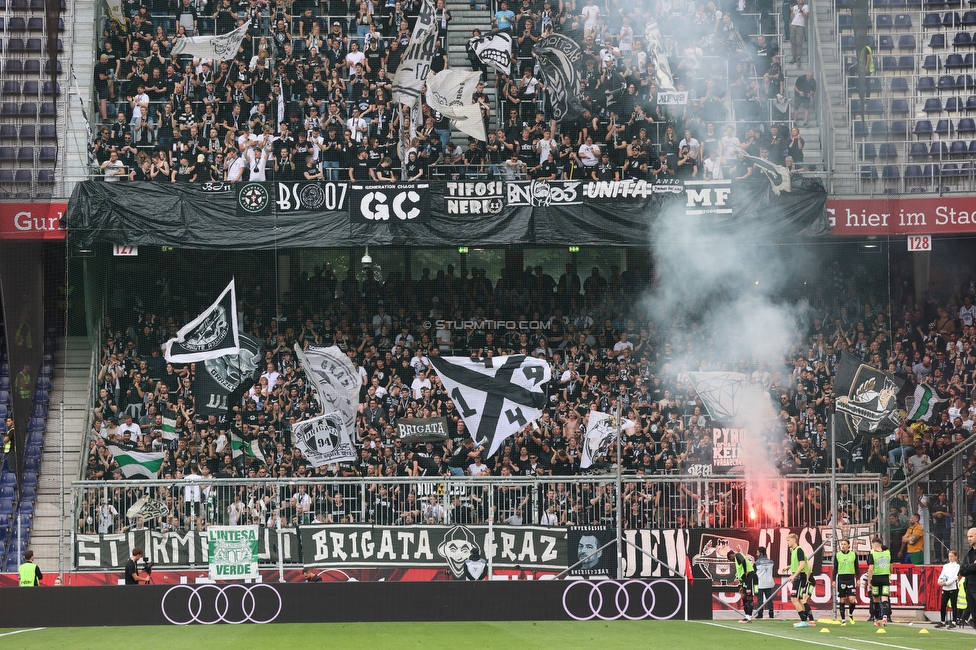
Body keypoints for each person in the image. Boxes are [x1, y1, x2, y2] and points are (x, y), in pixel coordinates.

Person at [787, 533, 815, 627]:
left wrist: (794, 576)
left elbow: (803, 564)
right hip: (799, 577)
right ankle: (805, 620)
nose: (787, 542)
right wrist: (789, 567)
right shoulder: (795, 551)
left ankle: (804, 621)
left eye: (788, 540)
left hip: (800, 577)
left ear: (794, 540)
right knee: (797, 599)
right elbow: (799, 564)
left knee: (795, 599)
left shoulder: (799, 550)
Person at [866, 536, 891, 626]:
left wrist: (869, 581)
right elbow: (891, 566)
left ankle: (877, 619)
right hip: (885, 577)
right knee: (885, 598)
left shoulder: (872, 554)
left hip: (876, 578)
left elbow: (871, 568)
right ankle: (885, 616)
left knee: (875, 599)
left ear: (874, 545)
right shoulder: (887, 553)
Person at [834, 539, 859, 625]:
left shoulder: (853, 554)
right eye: (842, 544)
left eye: (845, 544)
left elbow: (857, 567)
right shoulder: (838, 555)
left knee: (852, 600)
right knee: (842, 599)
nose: (843, 546)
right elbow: (835, 568)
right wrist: (834, 580)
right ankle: (843, 620)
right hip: (841, 579)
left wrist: (858, 578)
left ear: (849, 545)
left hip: (851, 578)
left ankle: (850, 614)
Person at [728, 549, 757, 622]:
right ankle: (746, 616)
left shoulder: (737, 555)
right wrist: (742, 586)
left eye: (730, 560)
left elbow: (743, 560)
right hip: (745, 579)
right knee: (743, 596)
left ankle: (749, 618)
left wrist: (745, 571)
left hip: (750, 576)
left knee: (749, 596)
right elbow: (741, 574)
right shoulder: (737, 560)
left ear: (731, 555)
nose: (732, 561)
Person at [936, 550, 960, 628]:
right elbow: (942, 575)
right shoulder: (946, 566)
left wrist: (946, 583)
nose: (950, 558)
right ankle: (942, 621)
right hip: (945, 589)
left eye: (952, 556)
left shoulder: (957, 566)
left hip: (953, 588)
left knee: (953, 605)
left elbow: (955, 577)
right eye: (949, 556)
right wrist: (940, 581)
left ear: (955, 557)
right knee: (943, 605)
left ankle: (954, 622)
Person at [959, 527, 976, 629]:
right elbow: (961, 570)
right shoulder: (969, 553)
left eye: (971, 536)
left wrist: (968, 568)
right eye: (968, 536)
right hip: (969, 588)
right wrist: (972, 567)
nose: (969, 539)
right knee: (974, 618)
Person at [754, 546, 775, 619]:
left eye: (757, 552)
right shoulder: (771, 562)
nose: (756, 554)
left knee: (760, 599)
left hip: (760, 583)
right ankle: (771, 614)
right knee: (769, 599)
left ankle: (760, 614)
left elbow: (754, 573)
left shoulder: (756, 563)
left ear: (760, 553)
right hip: (769, 582)